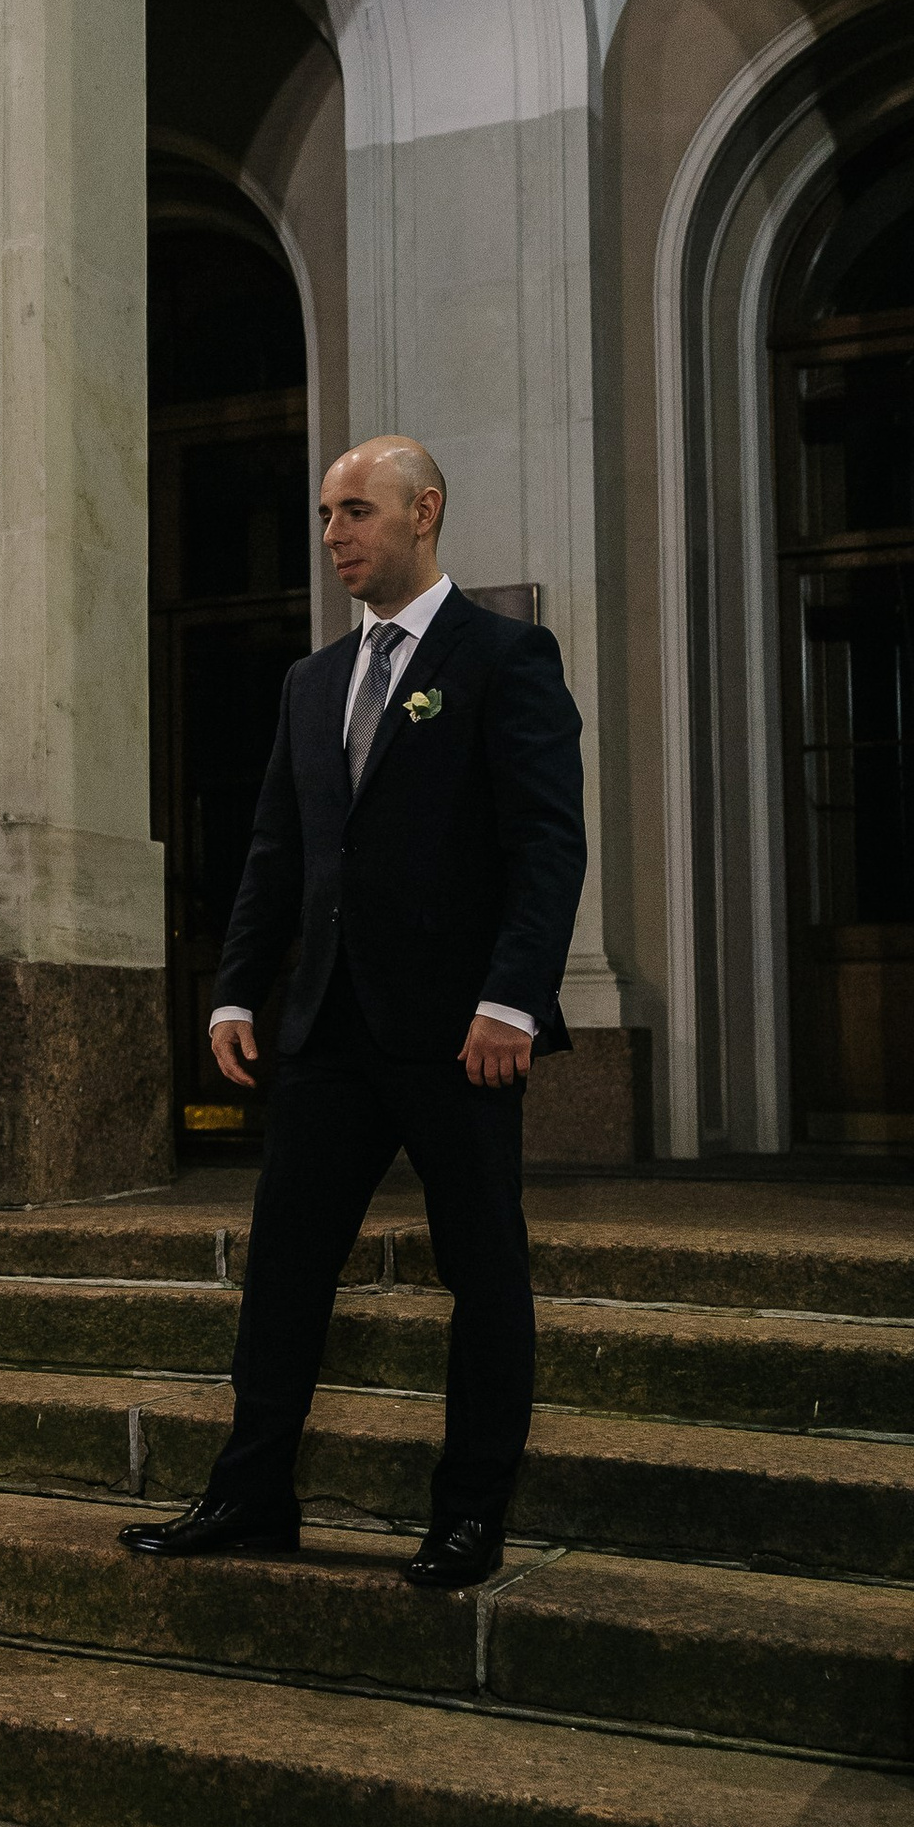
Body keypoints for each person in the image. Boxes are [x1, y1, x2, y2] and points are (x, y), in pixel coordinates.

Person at [125, 439, 586, 1589]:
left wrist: (510, 1002)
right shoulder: (312, 680)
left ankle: (469, 1514)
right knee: (283, 1266)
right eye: (326, 514)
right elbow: (279, 850)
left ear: (423, 512)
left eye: (356, 513)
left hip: (459, 1035)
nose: (334, 535)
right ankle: (250, 1493)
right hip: (326, 1027)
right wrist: (238, 986)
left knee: (483, 1272)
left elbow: (547, 846)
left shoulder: (505, 658)